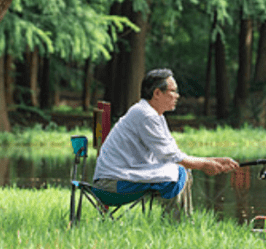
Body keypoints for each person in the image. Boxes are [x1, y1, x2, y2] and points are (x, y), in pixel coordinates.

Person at [92, 68, 239, 218]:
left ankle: (181, 222)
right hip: (111, 185)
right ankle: (173, 224)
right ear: (157, 93)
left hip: (123, 178)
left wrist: (213, 161)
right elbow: (172, 157)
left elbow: (175, 154)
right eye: (173, 91)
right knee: (177, 173)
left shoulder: (155, 115)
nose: (177, 95)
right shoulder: (146, 115)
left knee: (182, 170)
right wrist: (205, 165)